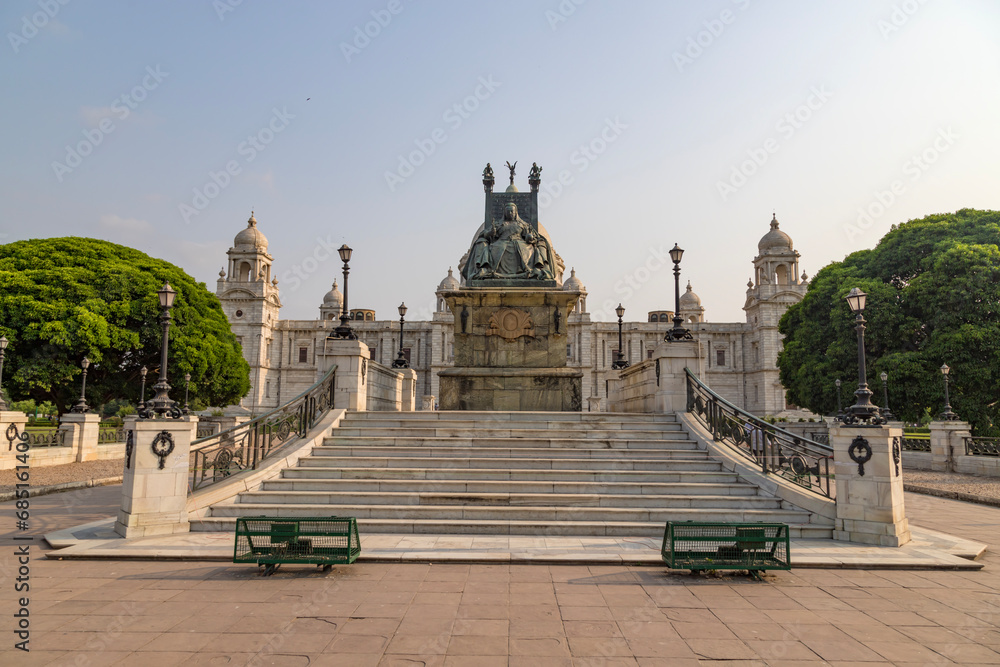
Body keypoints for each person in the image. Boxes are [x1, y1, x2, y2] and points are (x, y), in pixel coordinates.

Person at [464, 203, 554, 280]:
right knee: (487, 244)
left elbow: (531, 236)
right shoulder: (498, 224)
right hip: (501, 243)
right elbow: (485, 234)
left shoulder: (523, 224)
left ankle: (537, 269)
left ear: (516, 213)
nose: (510, 213)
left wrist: (529, 238)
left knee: (532, 247)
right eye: (508, 212)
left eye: (512, 211)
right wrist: (491, 233)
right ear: (505, 213)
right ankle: (485, 269)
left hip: (520, 243)